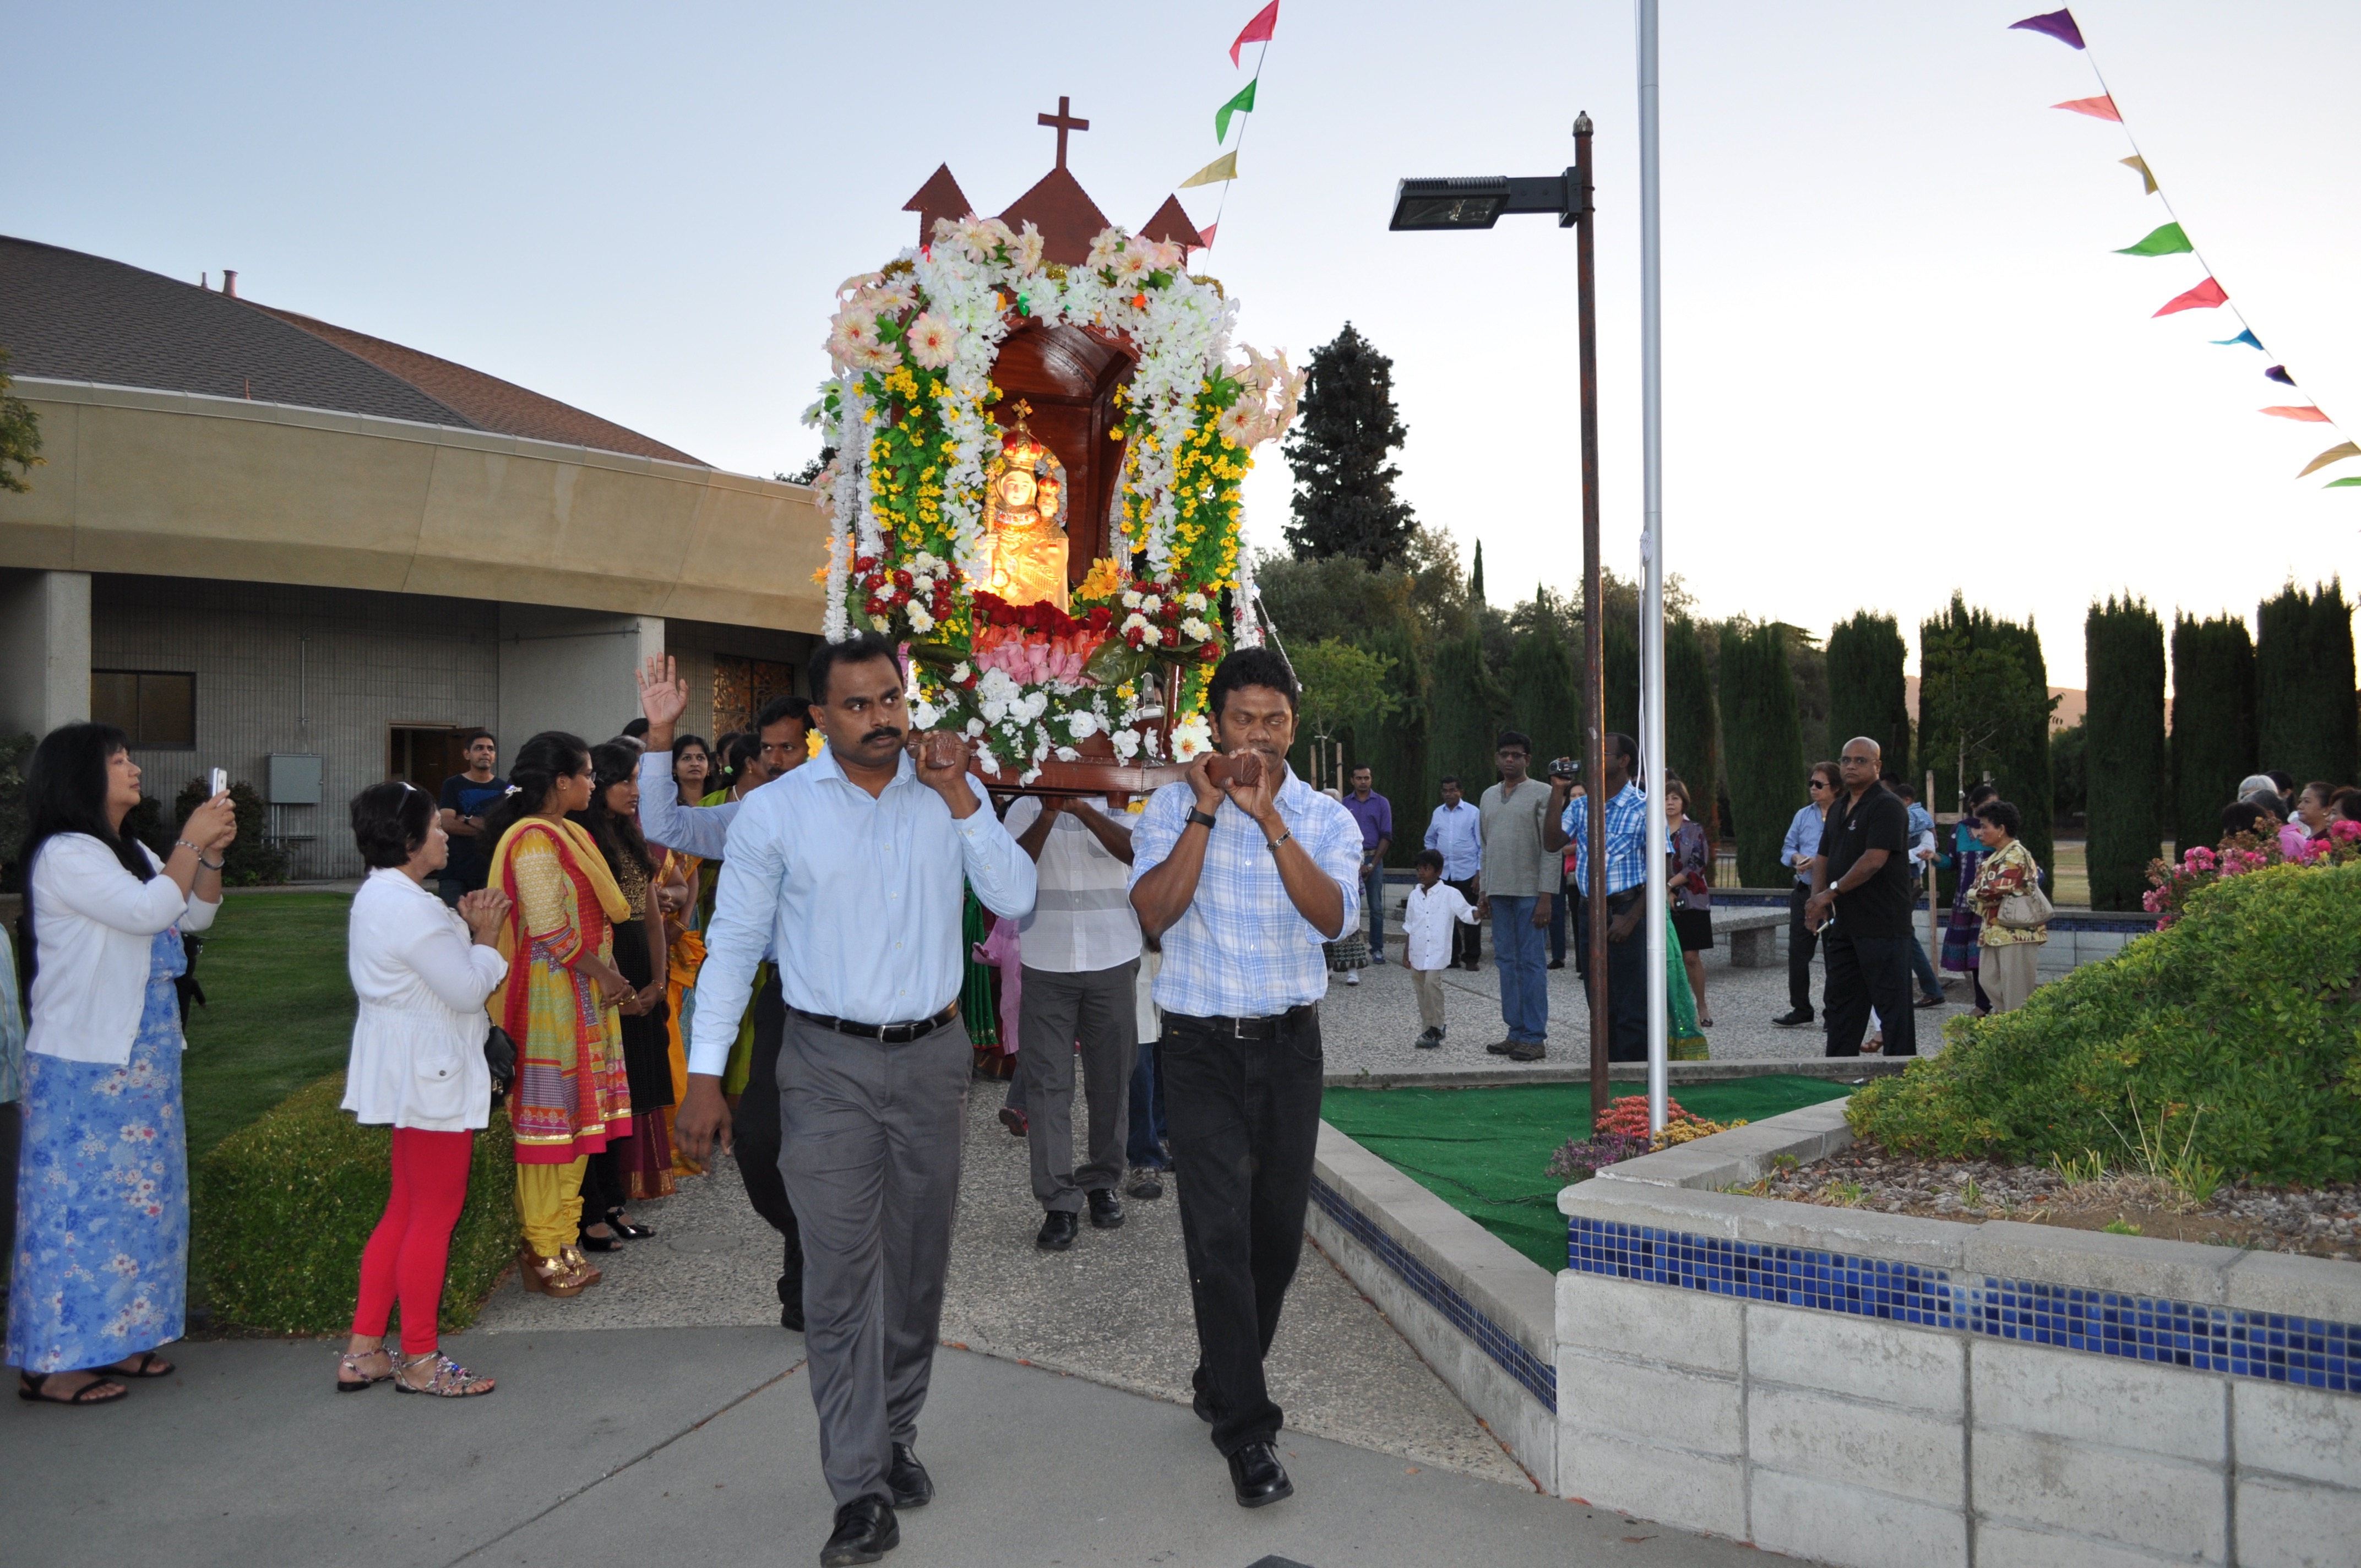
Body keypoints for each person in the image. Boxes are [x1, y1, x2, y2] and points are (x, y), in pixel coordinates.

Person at [676, 631, 1035, 1567]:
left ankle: (897, 1431)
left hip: (932, 1059)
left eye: (893, 700)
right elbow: (733, 945)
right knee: (839, 1280)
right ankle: (859, 1487)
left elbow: (1017, 896)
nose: (883, 720)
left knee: (916, 1267)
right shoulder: (776, 813)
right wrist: (704, 1074)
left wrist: (962, 796)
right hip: (823, 1064)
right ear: (819, 719)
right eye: (860, 705)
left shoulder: (948, 793)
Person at [1128, 645, 1361, 1511]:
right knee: (1217, 1235)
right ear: (1215, 725)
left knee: (1274, 1240)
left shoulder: (1325, 817)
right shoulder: (1169, 808)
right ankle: (1248, 1431)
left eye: (1274, 721)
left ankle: (1221, 1373)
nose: (1257, 737)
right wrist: (1206, 813)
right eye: (1241, 721)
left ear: (1293, 725)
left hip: (1291, 1049)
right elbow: (1153, 914)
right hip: (1197, 1048)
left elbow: (1334, 919)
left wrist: (1270, 823)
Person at [9, 722, 235, 1405]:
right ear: (82, 776)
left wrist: (212, 855)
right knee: (77, 1213)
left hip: (140, 1059)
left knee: (140, 1210)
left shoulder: (125, 847)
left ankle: (120, 1339)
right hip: (84, 1066)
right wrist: (191, 840)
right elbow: (146, 912)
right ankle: (50, 1361)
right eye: (119, 760)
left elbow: (191, 917)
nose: (134, 768)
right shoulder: (66, 854)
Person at [636, 658, 816, 1329]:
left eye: (788, 748)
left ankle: (817, 1269)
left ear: (818, 742)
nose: (773, 762)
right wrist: (660, 736)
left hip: (861, 1013)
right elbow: (670, 829)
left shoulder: (868, 807)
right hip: (784, 1001)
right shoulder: (753, 813)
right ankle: (808, 1241)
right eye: (765, 749)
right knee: (763, 1144)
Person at [337, 781, 509, 1398]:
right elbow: (467, 990)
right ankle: (419, 1358)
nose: (445, 834)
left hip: (408, 1070)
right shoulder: (408, 906)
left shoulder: (384, 896)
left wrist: (464, 933)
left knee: (406, 1208)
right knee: (432, 1214)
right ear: (410, 841)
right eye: (436, 828)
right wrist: (487, 938)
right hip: (431, 1074)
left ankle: (364, 1351)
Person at [481, 732, 632, 1300]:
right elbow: (549, 930)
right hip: (550, 998)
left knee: (579, 1126)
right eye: (588, 774)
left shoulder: (567, 832)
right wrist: (607, 975)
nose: (593, 783)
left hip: (581, 993)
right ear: (561, 781)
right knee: (550, 1129)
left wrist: (604, 975)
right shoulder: (533, 841)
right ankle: (541, 1245)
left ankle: (564, 1239)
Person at [1002, 791, 1140, 1251]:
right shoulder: (1026, 805)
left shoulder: (1126, 795)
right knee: (1046, 1085)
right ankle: (1059, 1201)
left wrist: (1083, 809)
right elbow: (1010, 873)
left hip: (1113, 956)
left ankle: (1102, 1182)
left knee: (1112, 1079)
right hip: (1047, 959)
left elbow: (1138, 853)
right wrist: (1050, 810)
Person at [571, 742, 674, 1222]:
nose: (636, 791)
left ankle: (616, 1196)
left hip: (640, 965)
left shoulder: (629, 834)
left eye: (639, 780)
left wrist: (658, 979)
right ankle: (601, 1203)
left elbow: (651, 915)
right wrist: (621, 992)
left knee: (633, 1085)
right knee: (608, 1090)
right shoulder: (581, 839)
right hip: (607, 969)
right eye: (625, 781)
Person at [1807, 738, 1917, 1059]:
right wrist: (1816, 901)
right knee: (1841, 1005)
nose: (1851, 766)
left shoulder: (1887, 806)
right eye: (1845, 761)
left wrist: (1830, 893)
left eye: (1860, 761)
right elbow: (1823, 855)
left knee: (1892, 1006)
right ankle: (1837, 1074)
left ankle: (1900, 1078)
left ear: (1877, 766)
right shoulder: (1840, 806)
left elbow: (1873, 861)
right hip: (1844, 925)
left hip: (1882, 924)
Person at [1544, 732, 1649, 1061]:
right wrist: (1557, 790)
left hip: (1627, 910)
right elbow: (1551, 842)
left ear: (1623, 761)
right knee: (1598, 998)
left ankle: (1634, 1077)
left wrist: (1631, 918)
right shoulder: (1582, 805)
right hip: (1590, 912)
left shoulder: (1645, 808)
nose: (1594, 759)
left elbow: (1663, 870)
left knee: (1631, 998)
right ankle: (1607, 1070)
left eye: (1603, 753)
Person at [1476, 732, 1558, 1058]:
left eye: (1516, 755)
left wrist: (1547, 896)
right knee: (1507, 963)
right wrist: (1484, 889)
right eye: (1504, 755)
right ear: (1497, 758)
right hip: (1499, 893)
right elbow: (1486, 845)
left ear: (1528, 760)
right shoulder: (1487, 796)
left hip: (1530, 894)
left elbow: (1552, 849)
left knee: (1532, 964)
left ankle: (1535, 1036)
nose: (1510, 760)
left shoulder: (1544, 793)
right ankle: (1515, 1031)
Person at [1772, 762, 1837, 1027]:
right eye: (1811, 783)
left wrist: (1822, 864)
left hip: (1834, 895)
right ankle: (1801, 1009)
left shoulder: (1845, 814)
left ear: (1835, 788)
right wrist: (1797, 857)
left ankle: (1833, 1013)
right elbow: (1787, 848)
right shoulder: (1802, 815)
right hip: (1804, 893)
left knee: (1835, 956)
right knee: (1798, 954)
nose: (1813, 788)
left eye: (1819, 784)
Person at [1966, 800, 2045, 1012]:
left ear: (2001, 829)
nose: (1979, 832)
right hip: (1994, 931)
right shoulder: (1993, 858)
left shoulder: (2016, 855)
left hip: (2017, 932)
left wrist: (1977, 894)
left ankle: (2018, 1037)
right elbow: (1976, 895)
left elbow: (1993, 889)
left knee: (2016, 993)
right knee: (1988, 981)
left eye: (1984, 826)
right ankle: (2010, 1029)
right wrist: (1977, 894)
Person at [1402, 848, 1478, 1048]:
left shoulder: (1450, 894)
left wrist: (1480, 913)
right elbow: (1410, 926)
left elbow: (1466, 913)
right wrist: (1406, 953)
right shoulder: (1414, 896)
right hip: (1417, 951)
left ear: (1439, 871)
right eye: (1419, 869)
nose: (1421, 873)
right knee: (1421, 989)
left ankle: (1437, 1026)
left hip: (1437, 952)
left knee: (1431, 985)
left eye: (1426, 869)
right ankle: (1428, 1028)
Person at [1941, 781, 1999, 1014]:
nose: (1992, 810)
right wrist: (1933, 858)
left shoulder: (1998, 829)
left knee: (1990, 954)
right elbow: (1951, 862)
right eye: (1987, 805)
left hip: (1992, 903)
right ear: (1973, 806)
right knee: (1975, 956)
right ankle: (1982, 1004)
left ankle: (1999, 1003)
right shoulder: (1960, 830)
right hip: (1967, 903)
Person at [1663, 776, 1714, 1029]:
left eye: (1675, 798)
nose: (1670, 803)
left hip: (1691, 900)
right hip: (1656, 899)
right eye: (1666, 798)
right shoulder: (1652, 828)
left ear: (1684, 802)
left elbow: (1697, 865)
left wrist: (1669, 886)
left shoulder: (1694, 830)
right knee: (1664, 957)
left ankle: (1701, 1004)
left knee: (1690, 956)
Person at [435, 729, 506, 909]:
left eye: (490, 749)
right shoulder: (452, 785)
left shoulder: (507, 788)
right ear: (467, 754)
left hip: (490, 871)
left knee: (488, 928)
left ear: (495, 756)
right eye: (479, 748)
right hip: (454, 872)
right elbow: (447, 823)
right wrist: (489, 828)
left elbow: (505, 828)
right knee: (454, 928)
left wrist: (466, 818)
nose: (485, 752)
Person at [1422, 776, 1483, 970]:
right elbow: (1430, 839)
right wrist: (1433, 861)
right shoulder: (1438, 814)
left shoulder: (1473, 813)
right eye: (1445, 791)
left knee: (1471, 914)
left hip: (1467, 873)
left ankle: (1472, 958)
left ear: (1461, 792)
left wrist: (1479, 873)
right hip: (1445, 873)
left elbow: (1482, 844)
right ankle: (1453, 956)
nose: (1448, 794)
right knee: (1446, 916)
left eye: (1452, 790)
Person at [1124, 936, 1169, 1199]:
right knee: (1139, 1064)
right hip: (1131, 963)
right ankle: (1144, 1158)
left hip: (1176, 964)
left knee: (1169, 1054)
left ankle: (1163, 1134)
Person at [1342, 765, 1393, 967]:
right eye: (1359, 778)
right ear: (1352, 780)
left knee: (1376, 908)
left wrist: (1371, 864)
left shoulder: (1382, 803)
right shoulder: (1345, 804)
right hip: (1349, 860)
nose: (1363, 782)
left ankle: (1377, 948)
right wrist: (1356, 862)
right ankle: (1348, 949)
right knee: (1348, 906)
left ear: (1371, 779)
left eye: (1367, 778)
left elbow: (1387, 836)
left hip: (1374, 858)